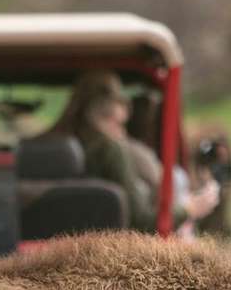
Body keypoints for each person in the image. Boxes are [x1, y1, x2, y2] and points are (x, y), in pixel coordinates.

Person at [51, 70, 216, 233]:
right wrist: (189, 209)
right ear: (110, 117)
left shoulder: (46, 149)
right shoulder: (110, 150)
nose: (123, 134)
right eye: (120, 124)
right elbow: (142, 223)